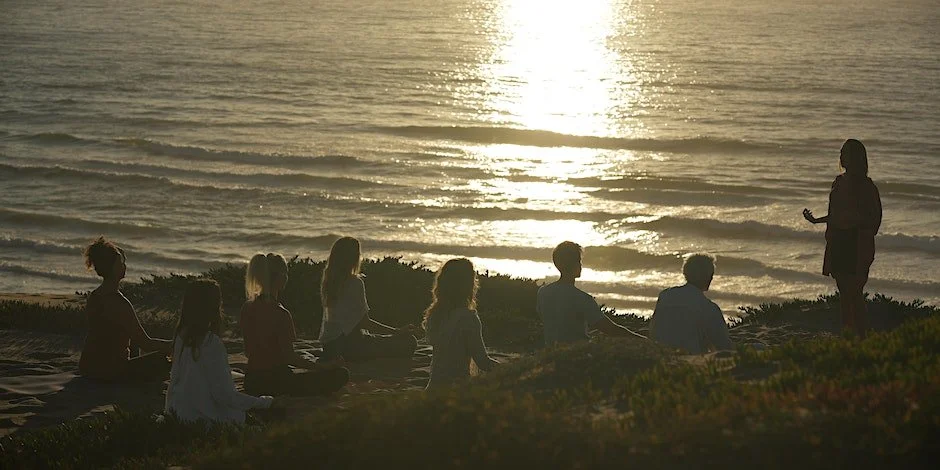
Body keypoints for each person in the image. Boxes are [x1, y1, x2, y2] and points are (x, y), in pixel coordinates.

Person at [803, 139, 882, 337]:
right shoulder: (838, 182)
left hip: (856, 244)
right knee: (844, 295)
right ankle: (848, 336)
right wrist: (815, 220)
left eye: (844, 153)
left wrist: (852, 223)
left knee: (854, 293)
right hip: (838, 242)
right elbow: (835, 214)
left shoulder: (867, 186)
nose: (840, 157)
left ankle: (862, 336)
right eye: (840, 153)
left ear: (854, 158)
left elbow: (874, 219)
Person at [240, 253, 349, 396]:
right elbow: (289, 358)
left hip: (252, 381)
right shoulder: (281, 314)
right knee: (341, 374)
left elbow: (248, 351)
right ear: (281, 278)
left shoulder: (247, 308)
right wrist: (323, 367)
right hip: (276, 382)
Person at [165, 279, 273, 424]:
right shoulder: (211, 343)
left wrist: (168, 413)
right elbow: (225, 396)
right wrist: (266, 402)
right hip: (204, 421)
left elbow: (174, 383)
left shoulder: (182, 336)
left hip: (179, 413)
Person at [79, 237, 172, 382]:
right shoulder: (118, 302)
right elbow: (145, 343)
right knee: (161, 360)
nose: (124, 266)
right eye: (121, 262)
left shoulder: (95, 296)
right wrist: (175, 345)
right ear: (113, 267)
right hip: (110, 371)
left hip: (88, 366)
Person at [318, 237, 418, 361]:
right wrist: (396, 331)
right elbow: (364, 322)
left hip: (330, 346)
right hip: (349, 347)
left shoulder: (329, 281)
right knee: (409, 342)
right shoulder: (354, 283)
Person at [537, 241, 645, 346]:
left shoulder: (543, 292)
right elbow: (610, 329)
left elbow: (558, 323)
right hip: (578, 354)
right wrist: (643, 340)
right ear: (575, 264)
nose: (581, 265)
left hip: (552, 351)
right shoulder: (582, 298)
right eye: (578, 261)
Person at [423, 258, 499, 390]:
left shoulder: (435, 315)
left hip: (432, 389)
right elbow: (483, 362)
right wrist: (513, 368)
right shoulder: (468, 319)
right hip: (456, 392)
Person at [648, 253, 733, 354]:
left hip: (660, 354)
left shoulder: (666, 295)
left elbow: (653, 330)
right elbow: (722, 345)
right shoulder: (708, 307)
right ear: (708, 277)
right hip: (689, 358)